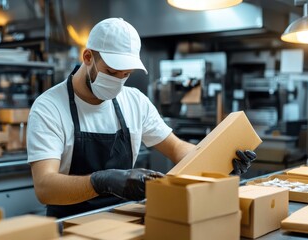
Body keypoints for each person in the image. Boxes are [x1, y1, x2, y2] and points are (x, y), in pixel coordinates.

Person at [27, 18, 256, 219]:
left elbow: (176, 148)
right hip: (71, 225)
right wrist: (102, 181)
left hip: (124, 221)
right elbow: (44, 187)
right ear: (88, 57)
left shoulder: (134, 101)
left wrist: (217, 166)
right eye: (112, 72)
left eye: (126, 75)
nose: (118, 81)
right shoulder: (49, 107)